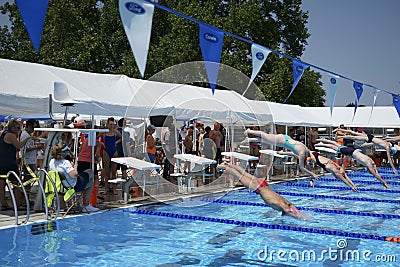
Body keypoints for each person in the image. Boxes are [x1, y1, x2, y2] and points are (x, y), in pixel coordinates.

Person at [218, 162, 305, 220]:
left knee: (244, 174)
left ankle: (228, 164)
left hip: (264, 185)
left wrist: (298, 213)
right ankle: (224, 166)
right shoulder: (283, 205)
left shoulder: (285, 202)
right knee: (240, 176)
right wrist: (301, 218)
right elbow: (289, 210)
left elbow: (291, 206)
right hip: (259, 188)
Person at [244, 129, 320, 183]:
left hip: (285, 139)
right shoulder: (302, 153)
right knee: (265, 136)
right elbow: (302, 168)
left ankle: (249, 139)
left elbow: (293, 154)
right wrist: (313, 174)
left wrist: (283, 153)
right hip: (282, 141)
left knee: (265, 140)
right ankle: (249, 131)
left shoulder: (306, 150)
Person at [315, 138, 389, 188]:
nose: (369, 171)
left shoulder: (371, 162)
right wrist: (383, 182)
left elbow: (376, 172)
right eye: (369, 171)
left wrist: (381, 179)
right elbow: (375, 174)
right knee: (334, 147)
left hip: (353, 150)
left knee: (336, 145)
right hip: (351, 152)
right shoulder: (369, 164)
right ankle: (320, 144)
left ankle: (322, 141)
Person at [49, 143, 99, 213]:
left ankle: (74, 203)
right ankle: (86, 205)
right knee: (90, 173)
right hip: (72, 187)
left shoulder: (52, 162)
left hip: (58, 187)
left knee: (89, 181)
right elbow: (74, 175)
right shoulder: (65, 163)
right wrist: (75, 166)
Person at [277, 150, 358, 192]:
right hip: (320, 160)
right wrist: (351, 187)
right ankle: (282, 152)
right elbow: (344, 178)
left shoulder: (337, 167)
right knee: (298, 156)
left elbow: (345, 176)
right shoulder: (334, 170)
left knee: (298, 155)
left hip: (315, 155)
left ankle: (282, 152)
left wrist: (353, 186)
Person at [0, 119, 34, 211]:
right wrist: (27, 139)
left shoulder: (3, 133)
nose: (19, 130)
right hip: (9, 163)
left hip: (2, 162)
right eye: (19, 128)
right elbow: (19, 146)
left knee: (2, 184)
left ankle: (4, 204)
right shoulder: (10, 135)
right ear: (14, 127)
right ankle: (18, 204)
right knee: (16, 184)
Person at [335, 128, 399, 176]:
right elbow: (390, 159)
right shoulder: (387, 147)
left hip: (371, 138)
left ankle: (339, 129)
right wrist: (393, 169)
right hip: (369, 139)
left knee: (354, 133)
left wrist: (365, 145)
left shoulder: (387, 143)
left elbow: (378, 141)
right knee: (354, 137)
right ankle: (340, 136)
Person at [19, 119, 43, 188]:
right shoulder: (25, 135)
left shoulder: (28, 134)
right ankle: (24, 194)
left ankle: (25, 193)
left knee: (29, 179)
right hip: (27, 161)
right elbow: (25, 149)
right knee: (28, 179)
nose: (34, 129)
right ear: (29, 126)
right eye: (33, 127)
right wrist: (37, 147)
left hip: (31, 160)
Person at [102, 117, 121, 193]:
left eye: (113, 124)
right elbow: (97, 137)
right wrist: (101, 143)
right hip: (106, 151)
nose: (112, 126)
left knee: (114, 172)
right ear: (107, 124)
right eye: (110, 124)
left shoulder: (115, 132)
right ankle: (106, 188)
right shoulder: (104, 132)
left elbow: (121, 138)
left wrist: (116, 142)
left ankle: (114, 188)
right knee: (106, 171)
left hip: (114, 151)